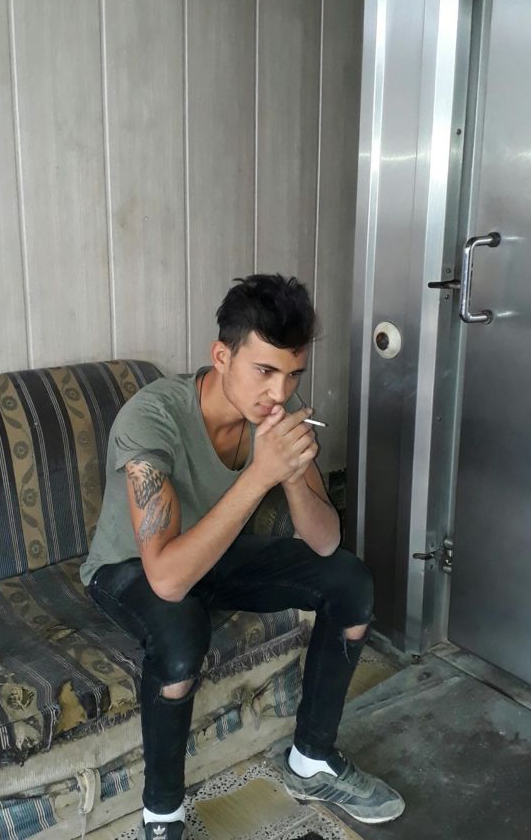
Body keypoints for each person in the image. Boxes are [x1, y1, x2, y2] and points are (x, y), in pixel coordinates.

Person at [80, 274, 404, 840]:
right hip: (132, 568)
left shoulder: (277, 408)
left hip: (219, 553)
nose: (279, 393)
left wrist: (293, 474)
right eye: (264, 371)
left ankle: (312, 760)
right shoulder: (151, 418)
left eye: (293, 374)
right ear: (221, 357)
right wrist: (260, 475)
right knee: (181, 640)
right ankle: (162, 814)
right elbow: (168, 578)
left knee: (350, 580)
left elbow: (325, 541)